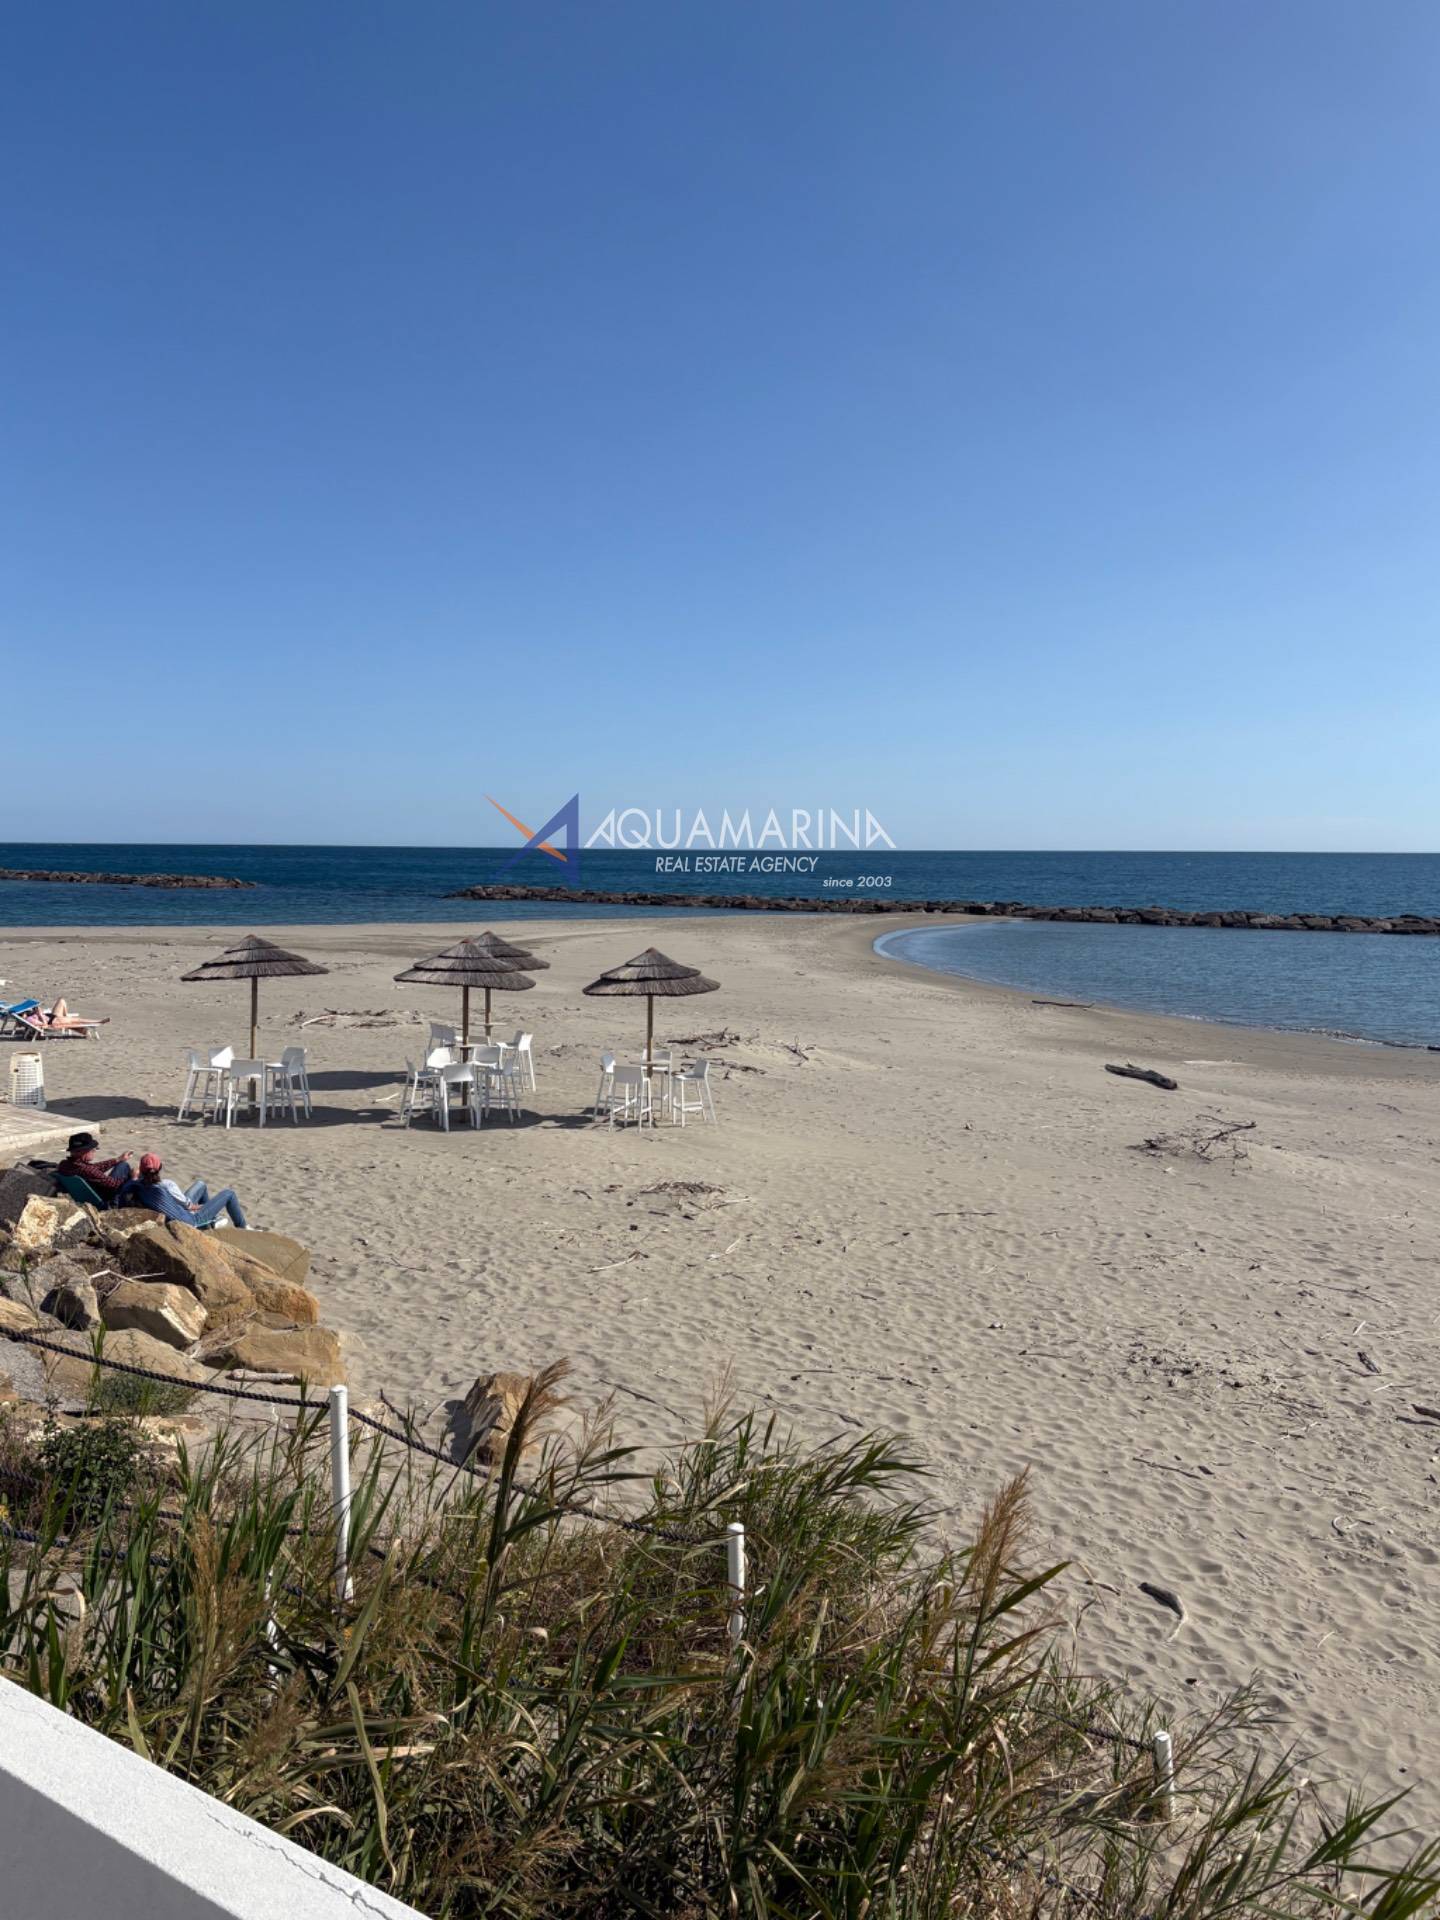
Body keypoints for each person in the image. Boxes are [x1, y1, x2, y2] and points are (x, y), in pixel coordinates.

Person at [130, 1153, 249, 1230]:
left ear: (141, 1170)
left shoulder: (137, 1185)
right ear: (160, 1168)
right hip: (190, 1220)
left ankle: (212, 1218)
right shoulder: (166, 1185)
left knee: (201, 1185)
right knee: (229, 1194)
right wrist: (196, 1207)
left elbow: (179, 1202)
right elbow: (187, 1204)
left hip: (177, 1210)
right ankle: (243, 1227)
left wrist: (134, 1177)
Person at [57, 1131, 136, 1205]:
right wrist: (133, 1177)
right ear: (82, 1151)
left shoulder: (64, 1164)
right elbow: (115, 1184)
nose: (95, 1150)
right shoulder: (87, 1170)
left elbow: (93, 1168)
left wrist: (118, 1159)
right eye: (92, 1149)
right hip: (105, 1199)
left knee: (121, 1163)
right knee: (123, 1165)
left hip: (86, 1196)